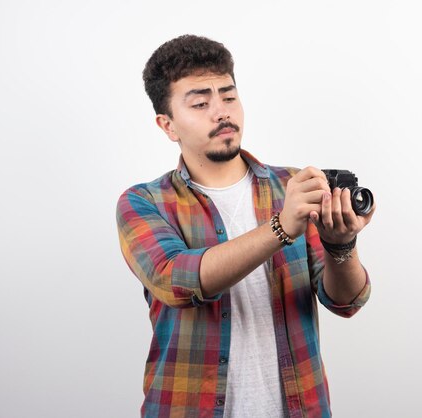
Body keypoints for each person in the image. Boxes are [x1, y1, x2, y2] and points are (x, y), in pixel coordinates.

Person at [116, 34, 376, 418]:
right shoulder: (144, 202)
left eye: (229, 96)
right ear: (168, 125)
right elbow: (175, 280)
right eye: (201, 103)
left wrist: (342, 245)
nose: (221, 112)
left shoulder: (292, 187)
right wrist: (281, 227)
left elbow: (346, 301)